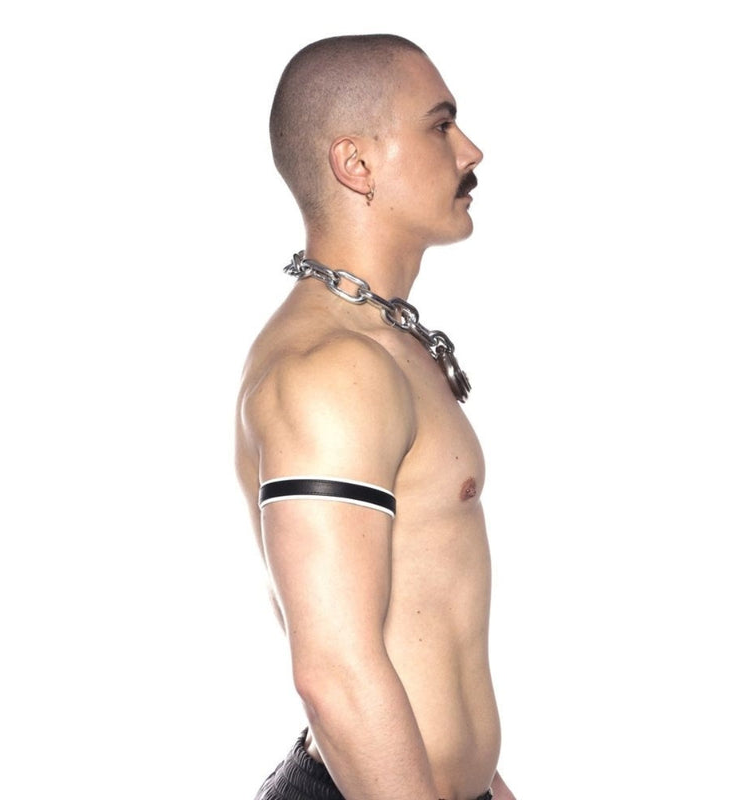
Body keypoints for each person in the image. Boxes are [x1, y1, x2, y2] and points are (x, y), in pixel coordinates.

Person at [235, 34, 516, 800]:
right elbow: (334, 673)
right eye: (440, 125)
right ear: (355, 163)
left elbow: (424, 634)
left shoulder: (387, 345)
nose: (471, 151)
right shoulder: (329, 369)